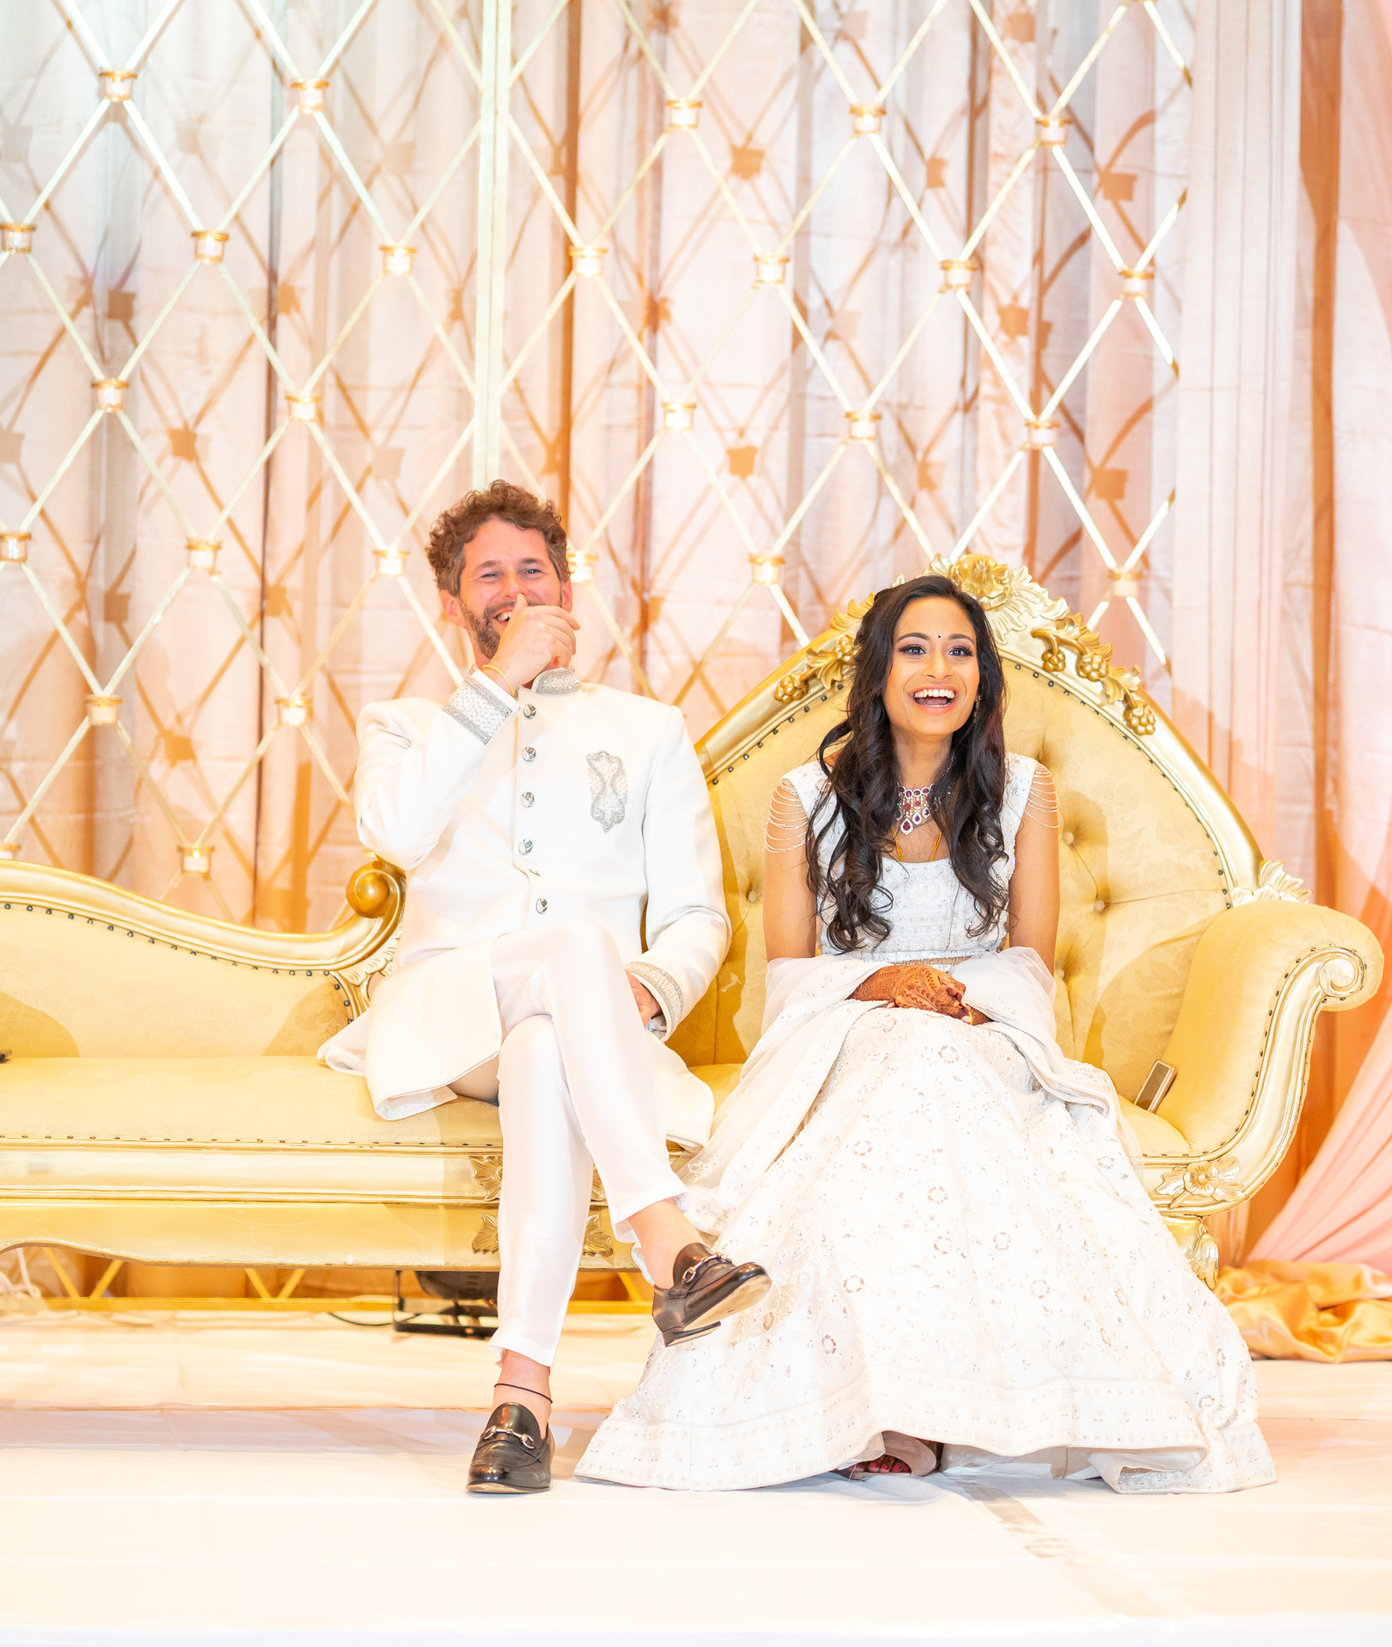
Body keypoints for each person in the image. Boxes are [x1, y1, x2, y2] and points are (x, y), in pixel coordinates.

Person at [576, 573, 1271, 1493]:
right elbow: (787, 976)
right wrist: (881, 983)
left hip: (981, 1031)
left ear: (982, 678)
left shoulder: (1026, 794)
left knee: (934, 1063)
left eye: (959, 652)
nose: (938, 669)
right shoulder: (805, 799)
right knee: (897, 1065)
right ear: (877, 670)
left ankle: (946, 1399)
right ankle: (867, 1401)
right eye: (914, 649)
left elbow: (1030, 960)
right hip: (843, 1031)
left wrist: (951, 1001)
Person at [320, 480, 768, 1496]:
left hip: (580, 1031)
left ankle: (519, 1403)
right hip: (446, 1014)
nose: (515, 588)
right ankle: (668, 1237)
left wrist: (644, 996)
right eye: (491, 574)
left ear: (567, 587)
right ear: (453, 603)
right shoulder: (406, 728)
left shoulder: (649, 731)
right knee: (570, 950)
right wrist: (495, 689)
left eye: (534, 570)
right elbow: (393, 833)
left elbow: (697, 917)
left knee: (544, 1047)